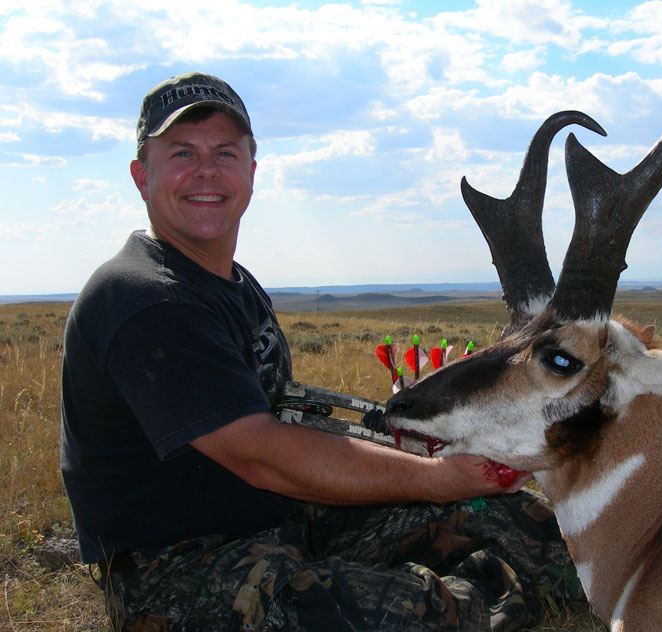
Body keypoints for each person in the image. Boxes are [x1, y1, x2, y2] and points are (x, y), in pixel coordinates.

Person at [60, 72, 582, 632]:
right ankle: (482, 594)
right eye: (182, 152)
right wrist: (434, 479)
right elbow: (259, 451)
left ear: (251, 172)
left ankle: (607, 579)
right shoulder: (142, 299)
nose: (206, 171)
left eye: (225, 153)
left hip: (287, 518)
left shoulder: (230, 283)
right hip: (179, 570)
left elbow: (279, 413)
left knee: (514, 519)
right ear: (143, 175)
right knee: (424, 612)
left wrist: (407, 448)